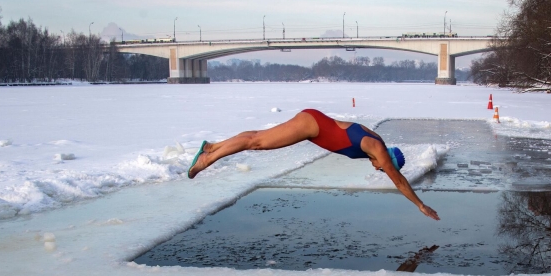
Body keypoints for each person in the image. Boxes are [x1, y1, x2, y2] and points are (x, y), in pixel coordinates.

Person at [187, 108, 440, 220]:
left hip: (314, 122)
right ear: (388, 161)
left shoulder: (376, 142)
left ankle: (213, 147)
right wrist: (420, 205)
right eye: (383, 167)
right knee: (257, 142)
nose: (379, 170)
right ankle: (208, 157)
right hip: (311, 126)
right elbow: (398, 180)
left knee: (256, 137)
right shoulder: (376, 148)